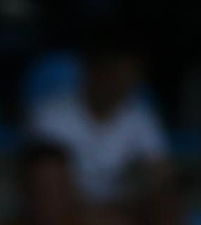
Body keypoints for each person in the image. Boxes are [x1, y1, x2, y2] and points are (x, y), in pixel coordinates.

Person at [24, 36, 170, 214]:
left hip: (121, 216)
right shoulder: (50, 117)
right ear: (93, 70)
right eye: (113, 73)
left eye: (128, 75)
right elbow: (43, 187)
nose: (120, 83)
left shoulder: (141, 118)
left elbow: (161, 174)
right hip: (63, 217)